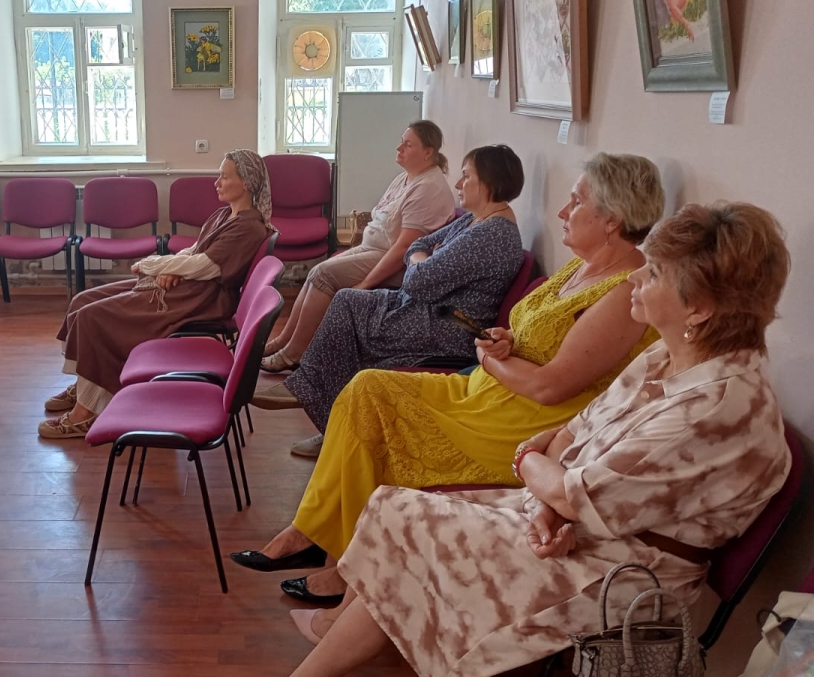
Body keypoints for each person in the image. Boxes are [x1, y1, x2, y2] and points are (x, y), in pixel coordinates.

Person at [286, 201, 793, 677]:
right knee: (393, 510)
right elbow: (575, 433)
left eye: (656, 273)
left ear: (698, 309)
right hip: (582, 528)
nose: (637, 276)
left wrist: (531, 461)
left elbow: (576, 488)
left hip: (624, 574)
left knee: (404, 517)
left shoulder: (715, 408)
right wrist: (550, 501)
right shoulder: (668, 356)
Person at [234, 153, 665, 603]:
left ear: (612, 219)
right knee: (365, 389)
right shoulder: (582, 265)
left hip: (519, 423)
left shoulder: (623, 292)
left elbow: (550, 386)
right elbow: (539, 336)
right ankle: (311, 532)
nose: (561, 211)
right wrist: (506, 339)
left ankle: (343, 566)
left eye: (575, 202)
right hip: (486, 392)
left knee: (377, 413)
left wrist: (488, 358)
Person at [253, 144, 528, 457]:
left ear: (489, 183)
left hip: (444, 329)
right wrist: (424, 258)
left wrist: (422, 262)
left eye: (466, 176)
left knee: (351, 315)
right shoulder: (474, 220)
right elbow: (419, 245)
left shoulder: (491, 236)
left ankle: (317, 400)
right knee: (347, 300)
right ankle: (328, 414)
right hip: (425, 309)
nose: (458, 183)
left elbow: (417, 280)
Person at [39, 149, 274, 439]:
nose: (217, 183)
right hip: (189, 285)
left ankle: (85, 413)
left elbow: (204, 266)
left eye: (224, 177)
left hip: (200, 299)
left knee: (92, 318)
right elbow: (195, 252)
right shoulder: (225, 214)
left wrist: (154, 265)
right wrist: (172, 268)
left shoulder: (248, 227)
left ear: (246, 183)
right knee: (82, 301)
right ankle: (85, 385)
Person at [259, 121, 456, 373]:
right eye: (401, 141)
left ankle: (294, 353)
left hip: (394, 261)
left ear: (428, 152)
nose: (399, 148)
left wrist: (365, 283)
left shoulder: (428, 188)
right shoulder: (406, 178)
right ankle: (283, 342)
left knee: (324, 275)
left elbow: (403, 248)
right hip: (373, 249)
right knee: (317, 271)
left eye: (408, 144)